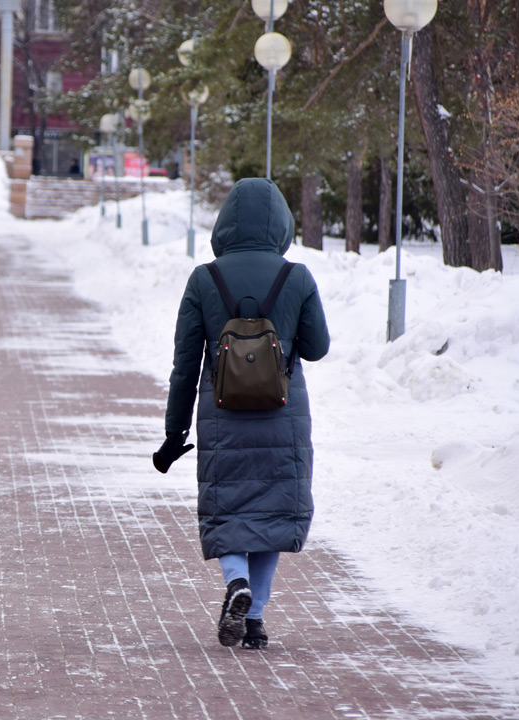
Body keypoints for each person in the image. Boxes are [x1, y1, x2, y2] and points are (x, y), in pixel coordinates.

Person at [153, 177, 330, 650]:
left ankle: (236, 582)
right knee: (272, 515)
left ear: (226, 222)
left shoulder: (203, 279)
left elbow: (185, 367)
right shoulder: (297, 277)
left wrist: (174, 434)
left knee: (228, 508)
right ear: (281, 223)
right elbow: (316, 348)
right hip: (283, 417)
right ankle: (254, 618)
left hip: (222, 417)